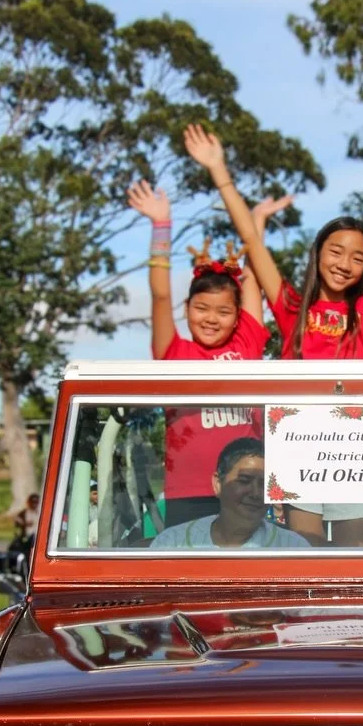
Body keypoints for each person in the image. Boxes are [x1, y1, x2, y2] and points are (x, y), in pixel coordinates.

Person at [184, 115, 363, 547]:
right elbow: (251, 238)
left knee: (353, 558)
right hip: (301, 443)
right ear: (318, 253)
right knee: (302, 556)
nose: (344, 263)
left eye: (358, 257)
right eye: (336, 251)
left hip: (361, 446)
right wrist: (219, 170)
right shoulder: (291, 306)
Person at [127, 179, 270, 527]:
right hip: (187, 491)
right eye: (202, 308)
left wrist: (256, 226)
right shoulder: (174, 352)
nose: (211, 319)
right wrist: (161, 226)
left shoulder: (246, 344)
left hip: (247, 486)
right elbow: (160, 296)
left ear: (239, 317)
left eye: (223, 312)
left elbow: (254, 277)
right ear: (187, 308)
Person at [150, 437, 311, 549]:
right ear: (218, 483)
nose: (255, 493)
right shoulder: (172, 544)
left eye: (264, 484)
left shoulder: (292, 547)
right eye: (244, 481)